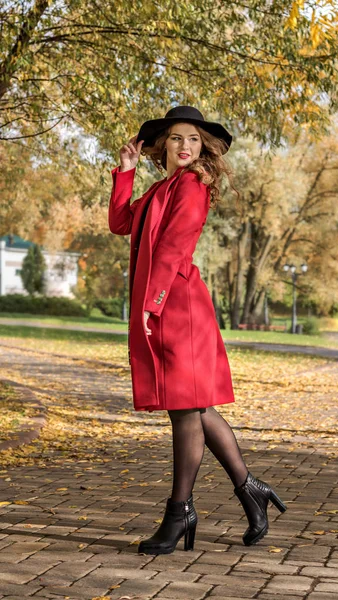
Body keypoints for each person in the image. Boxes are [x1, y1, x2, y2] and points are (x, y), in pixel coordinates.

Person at [108, 106, 286, 556]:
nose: (185, 146)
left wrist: (152, 305)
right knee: (191, 408)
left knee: (186, 410)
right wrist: (124, 173)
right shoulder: (160, 188)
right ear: (162, 146)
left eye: (192, 139)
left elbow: (173, 247)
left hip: (179, 306)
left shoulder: (192, 185)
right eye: (175, 138)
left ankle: (180, 512)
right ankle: (250, 491)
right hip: (168, 303)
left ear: (202, 147)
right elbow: (121, 224)